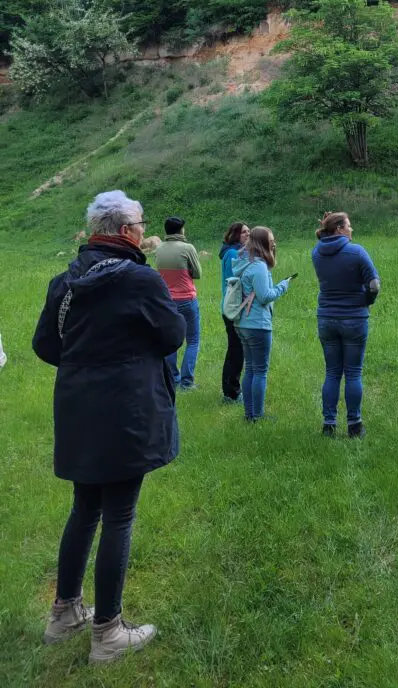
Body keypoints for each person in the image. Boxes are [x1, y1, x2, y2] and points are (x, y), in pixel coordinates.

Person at [32, 190, 185, 664]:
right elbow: (172, 335)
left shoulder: (65, 281)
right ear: (125, 231)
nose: (143, 230)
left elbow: (45, 345)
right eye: (140, 223)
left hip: (79, 407)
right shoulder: (140, 280)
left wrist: (87, 363)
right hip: (128, 412)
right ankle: (108, 632)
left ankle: (64, 613)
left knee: (84, 509)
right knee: (119, 514)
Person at [312, 212, 380, 438]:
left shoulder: (316, 252)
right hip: (354, 318)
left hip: (327, 318)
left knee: (332, 372)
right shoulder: (357, 251)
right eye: (349, 226)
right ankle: (354, 425)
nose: (352, 230)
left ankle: (329, 424)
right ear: (339, 228)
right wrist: (366, 301)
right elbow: (374, 284)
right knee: (353, 373)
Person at [232, 227, 292, 422]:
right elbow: (265, 296)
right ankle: (257, 415)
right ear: (262, 243)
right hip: (257, 324)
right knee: (259, 371)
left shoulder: (244, 262)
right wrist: (282, 286)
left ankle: (249, 414)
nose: (274, 243)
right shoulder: (258, 266)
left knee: (250, 369)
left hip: (243, 323)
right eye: (271, 240)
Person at [155, 216, 203, 390]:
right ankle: (187, 382)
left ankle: (172, 379)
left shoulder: (159, 249)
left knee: (172, 341)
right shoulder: (187, 248)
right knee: (193, 340)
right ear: (181, 230)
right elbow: (197, 273)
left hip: (167, 301)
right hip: (187, 299)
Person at [219, 222, 250, 403]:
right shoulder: (232, 253)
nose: (247, 234)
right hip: (233, 308)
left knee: (236, 350)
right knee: (236, 351)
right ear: (235, 235)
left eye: (248, 231)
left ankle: (231, 390)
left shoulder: (235, 251)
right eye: (244, 232)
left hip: (233, 307)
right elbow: (235, 282)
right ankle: (231, 392)